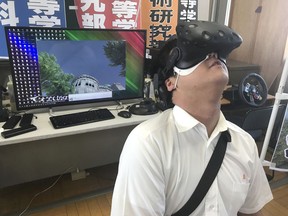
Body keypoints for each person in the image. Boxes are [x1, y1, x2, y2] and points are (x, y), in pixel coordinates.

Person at [111, 21, 273, 216]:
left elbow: (252, 211)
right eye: (199, 55)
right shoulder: (148, 144)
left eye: (218, 54)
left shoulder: (244, 143)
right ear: (171, 82)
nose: (214, 57)